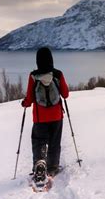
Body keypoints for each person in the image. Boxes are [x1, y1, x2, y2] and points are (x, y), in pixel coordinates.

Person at [21, 47, 69, 179]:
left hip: (39, 117)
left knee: (38, 141)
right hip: (56, 116)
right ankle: (52, 167)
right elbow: (65, 94)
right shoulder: (58, 74)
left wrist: (25, 103)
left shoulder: (33, 76)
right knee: (54, 141)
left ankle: (39, 163)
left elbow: (30, 98)